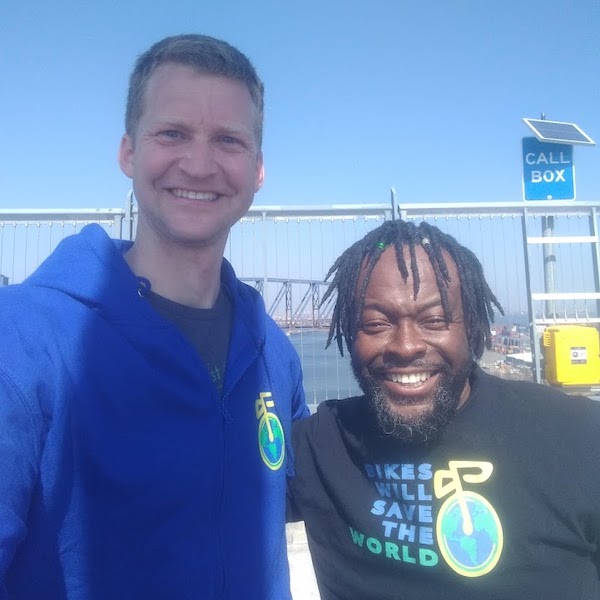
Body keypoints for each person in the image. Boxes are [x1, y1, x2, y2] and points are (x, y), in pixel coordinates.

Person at [0, 34, 308, 599]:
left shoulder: (274, 353)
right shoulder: (20, 344)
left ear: (258, 169)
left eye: (229, 140)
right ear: (127, 152)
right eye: (172, 133)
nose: (198, 163)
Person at [287, 219, 600, 599]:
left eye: (434, 320)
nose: (405, 346)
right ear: (349, 334)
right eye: (375, 323)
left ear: (473, 327)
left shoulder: (578, 437)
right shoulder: (320, 445)